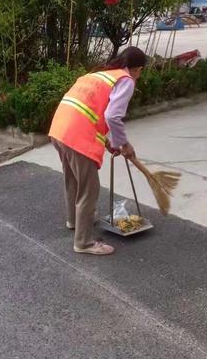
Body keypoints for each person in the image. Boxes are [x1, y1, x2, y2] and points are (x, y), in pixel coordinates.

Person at [49, 46, 147, 256]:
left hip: (59, 129)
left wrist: (109, 142)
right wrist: (124, 143)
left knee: (73, 180)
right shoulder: (125, 80)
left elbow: (90, 113)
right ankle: (83, 242)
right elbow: (112, 116)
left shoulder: (98, 75)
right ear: (137, 69)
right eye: (140, 71)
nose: (138, 76)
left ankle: (74, 221)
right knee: (90, 189)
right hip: (76, 135)